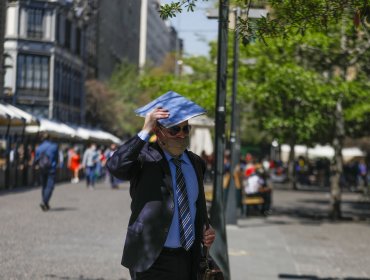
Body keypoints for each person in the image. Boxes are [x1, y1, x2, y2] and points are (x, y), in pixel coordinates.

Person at [106, 91, 215, 280]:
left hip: (187, 257)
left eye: (185, 129)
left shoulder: (196, 163)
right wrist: (144, 131)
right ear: (158, 131)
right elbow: (116, 167)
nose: (181, 135)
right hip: (151, 256)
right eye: (174, 129)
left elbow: (195, 205)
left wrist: (206, 229)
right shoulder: (144, 158)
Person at [35, 133, 59, 211]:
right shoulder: (54, 146)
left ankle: (46, 203)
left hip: (42, 168)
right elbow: (56, 158)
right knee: (50, 186)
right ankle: (44, 201)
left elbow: (36, 159)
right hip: (51, 168)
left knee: (44, 186)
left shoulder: (39, 148)